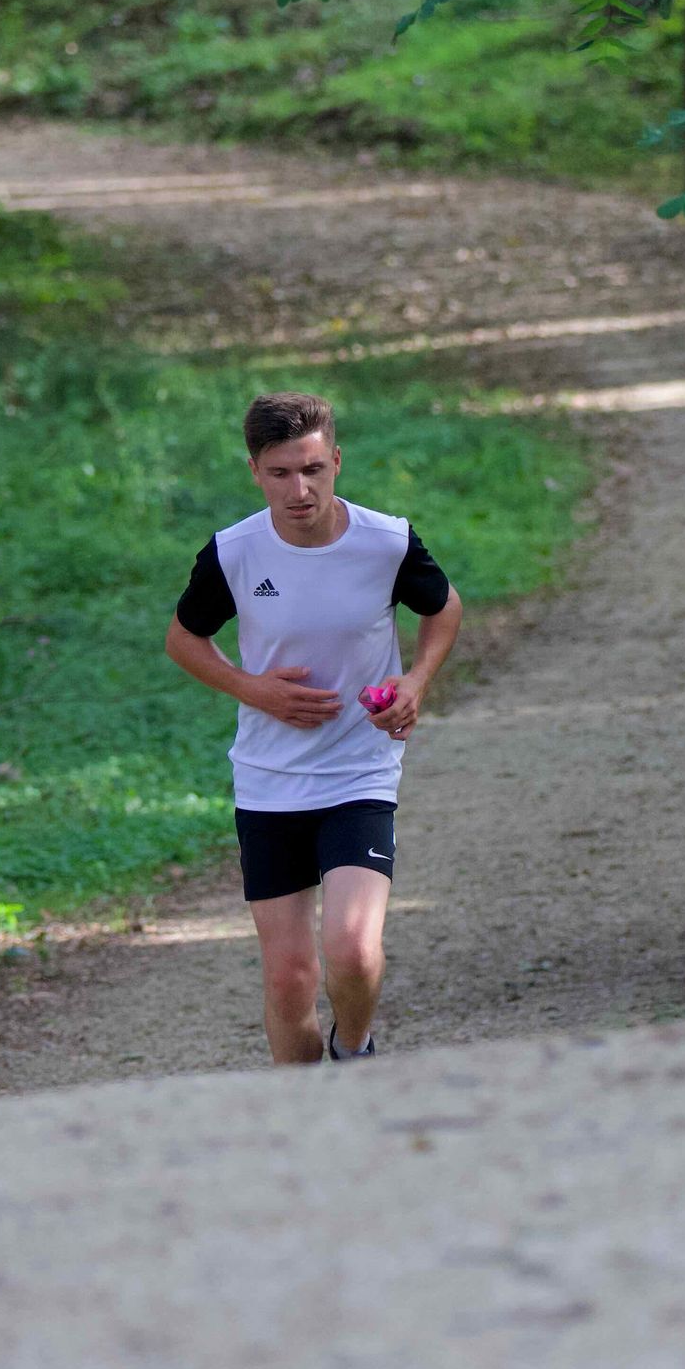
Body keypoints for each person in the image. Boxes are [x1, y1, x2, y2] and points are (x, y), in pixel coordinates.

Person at [166, 390, 461, 1065]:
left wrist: (415, 682)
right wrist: (254, 690)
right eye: (279, 473)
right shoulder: (234, 553)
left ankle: (354, 1050)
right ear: (254, 471)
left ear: (336, 461)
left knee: (353, 951)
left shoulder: (386, 542)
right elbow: (183, 640)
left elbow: (443, 608)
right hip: (270, 780)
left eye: (312, 470)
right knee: (289, 978)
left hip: (359, 771)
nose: (298, 490)